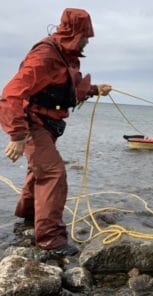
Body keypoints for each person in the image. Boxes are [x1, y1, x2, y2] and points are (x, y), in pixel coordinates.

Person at [0, 8, 112, 256]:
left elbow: (65, 90)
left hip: (49, 126)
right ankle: (51, 242)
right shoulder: (45, 56)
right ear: (75, 32)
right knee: (54, 173)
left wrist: (94, 89)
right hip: (33, 123)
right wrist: (17, 136)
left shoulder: (66, 56)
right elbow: (10, 95)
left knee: (39, 169)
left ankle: (29, 217)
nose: (87, 41)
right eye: (86, 36)